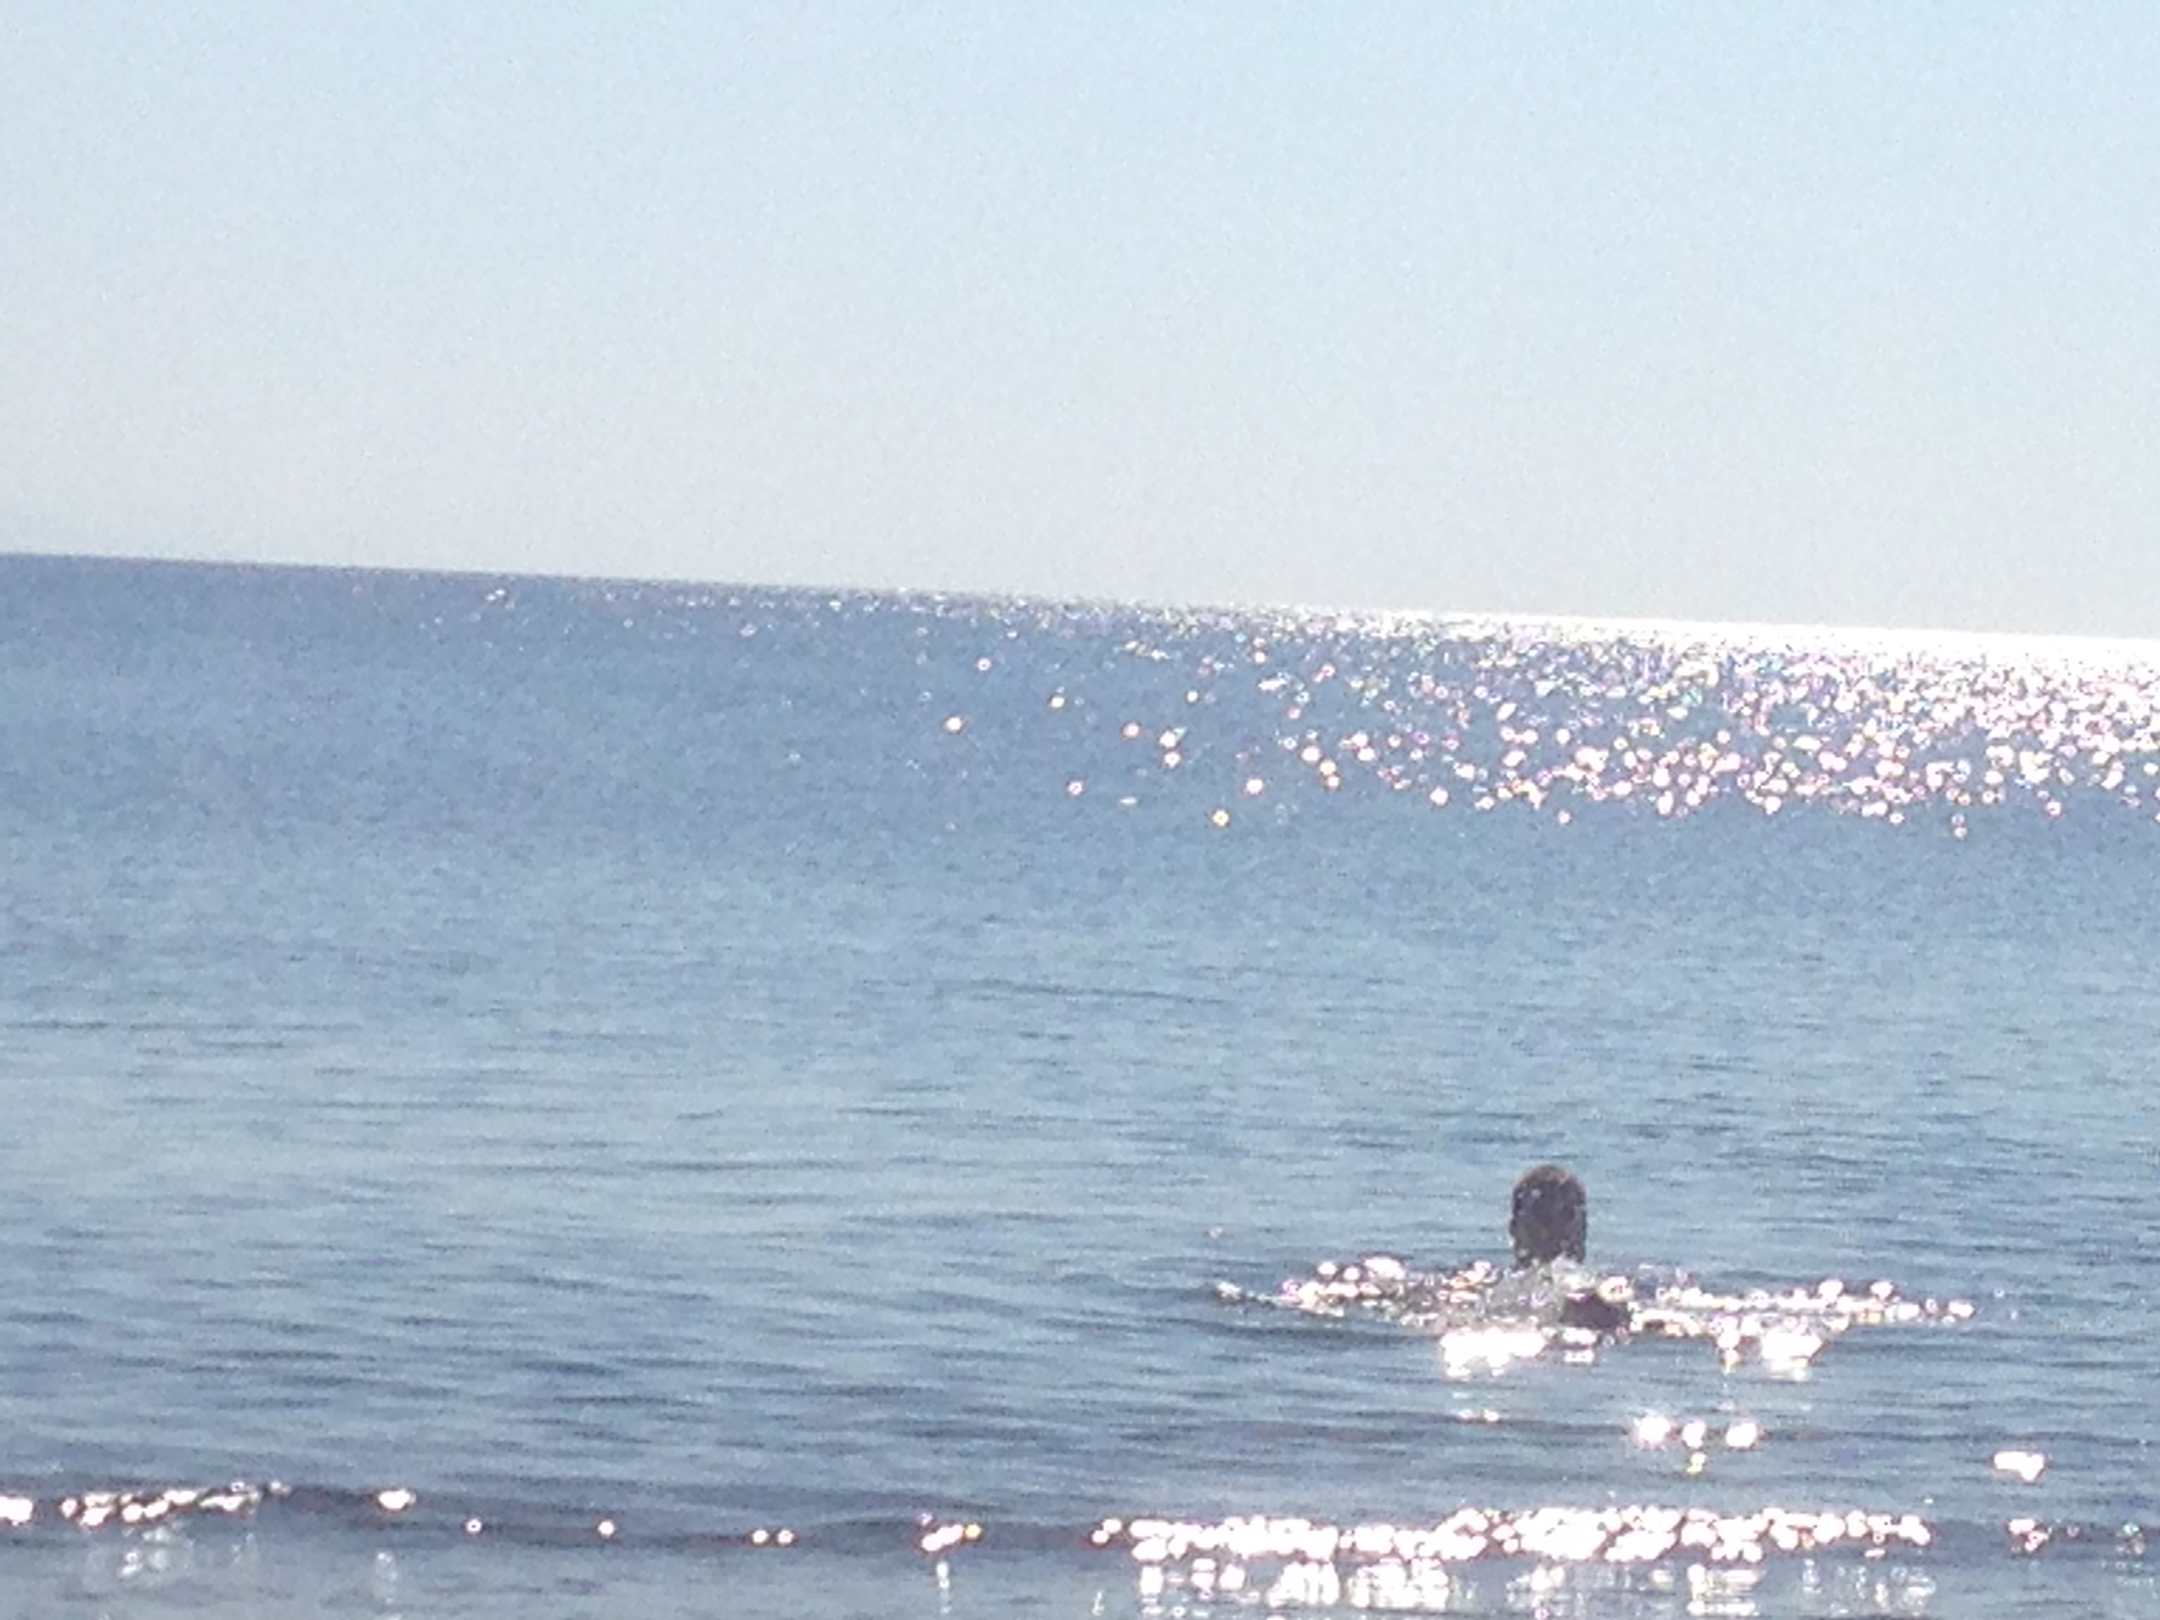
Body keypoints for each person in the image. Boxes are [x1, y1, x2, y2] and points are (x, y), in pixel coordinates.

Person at [1509, 1164, 1629, 1334]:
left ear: (1514, 1228)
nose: (1553, 1230)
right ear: (1582, 1226)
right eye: (1545, 1216)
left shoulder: (1487, 1288)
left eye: (1564, 1216)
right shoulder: (1615, 1292)